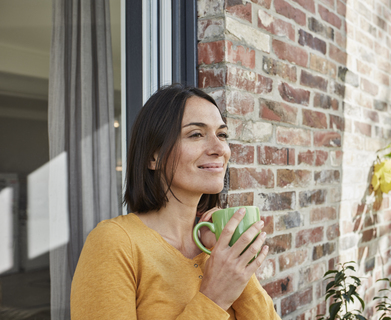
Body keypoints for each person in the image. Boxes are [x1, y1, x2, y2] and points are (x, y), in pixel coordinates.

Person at [70, 84, 280, 319]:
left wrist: (236, 262)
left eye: (222, 134)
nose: (220, 148)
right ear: (153, 157)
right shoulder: (115, 243)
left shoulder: (213, 245)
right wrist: (214, 298)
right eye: (196, 134)